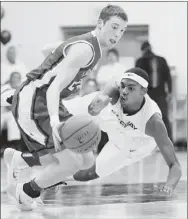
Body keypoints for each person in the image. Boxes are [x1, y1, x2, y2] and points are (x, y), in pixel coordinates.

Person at [4, 4, 128, 210]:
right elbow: (53, 88)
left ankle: (20, 160)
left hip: (46, 99)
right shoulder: (86, 49)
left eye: (122, 30)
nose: (118, 34)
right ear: (100, 23)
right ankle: (25, 192)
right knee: (71, 162)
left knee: (87, 158)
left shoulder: (90, 46)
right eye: (114, 27)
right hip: (37, 103)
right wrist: (54, 121)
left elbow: (49, 50)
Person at [65, 67, 182, 196]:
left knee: (90, 173)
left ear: (143, 91)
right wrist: (96, 107)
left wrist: (169, 186)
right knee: (67, 109)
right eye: (123, 86)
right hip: (114, 118)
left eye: (131, 88)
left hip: (133, 142)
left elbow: (175, 165)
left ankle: (60, 177)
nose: (124, 91)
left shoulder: (153, 122)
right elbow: (92, 110)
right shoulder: (114, 92)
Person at [135, 41, 172, 141]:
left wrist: (170, 92)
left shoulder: (161, 60)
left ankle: (167, 141)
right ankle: (148, 142)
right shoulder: (141, 61)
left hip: (158, 93)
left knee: (162, 116)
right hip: (150, 93)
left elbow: (168, 77)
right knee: (148, 117)